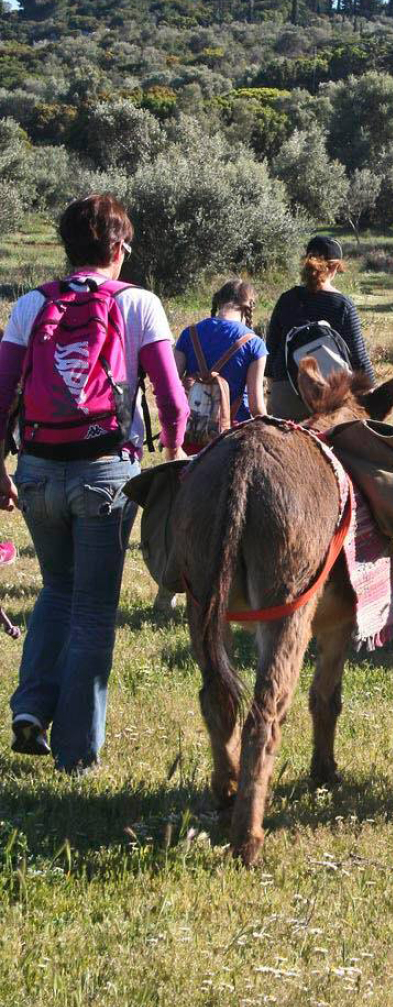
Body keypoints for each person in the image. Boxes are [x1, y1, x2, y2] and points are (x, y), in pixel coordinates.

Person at [0, 194, 188, 772]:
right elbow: (172, 399)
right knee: (93, 611)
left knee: (57, 588)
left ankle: (31, 707)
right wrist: (175, 455)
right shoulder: (140, 303)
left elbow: (1, 392)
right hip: (106, 472)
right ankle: (77, 756)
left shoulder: (31, 304)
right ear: (119, 246)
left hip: (36, 469)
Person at [266, 236, 375, 422]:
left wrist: (273, 392)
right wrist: (372, 394)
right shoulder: (342, 305)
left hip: (285, 391)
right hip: (328, 395)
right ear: (335, 267)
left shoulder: (287, 299)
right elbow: (359, 359)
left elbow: (271, 351)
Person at [175, 279, 267, 447]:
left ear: (219, 301)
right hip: (232, 439)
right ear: (248, 308)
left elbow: (171, 386)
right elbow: (256, 408)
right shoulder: (254, 344)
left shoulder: (189, 333)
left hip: (191, 433)